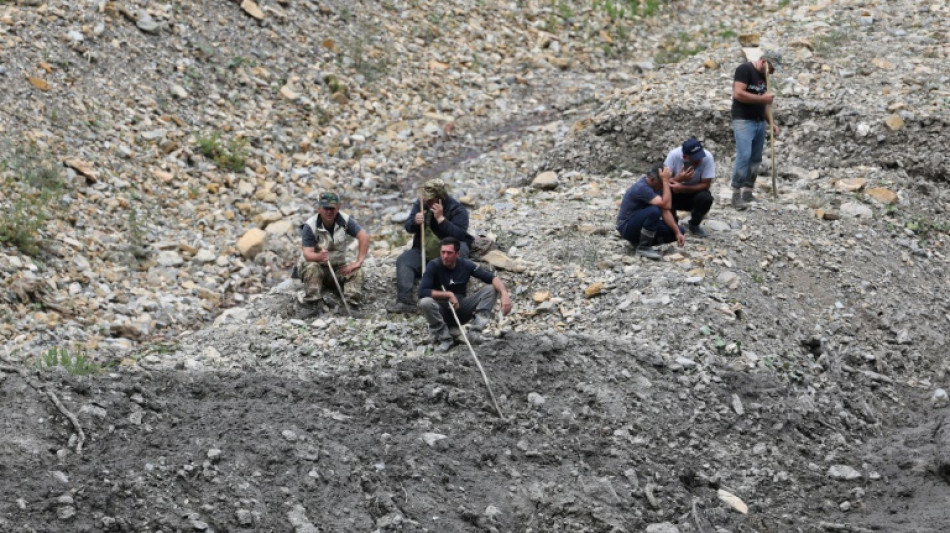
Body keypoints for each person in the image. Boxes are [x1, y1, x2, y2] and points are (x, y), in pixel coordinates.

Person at [389, 178, 474, 314]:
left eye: (430, 200)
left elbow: (460, 235)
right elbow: (408, 226)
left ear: (441, 197)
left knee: (460, 252)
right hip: (424, 250)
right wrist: (415, 222)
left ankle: (455, 298)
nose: (427, 202)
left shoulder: (457, 209)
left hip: (447, 252)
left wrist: (441, 220)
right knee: (404, 260)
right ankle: (404, 301)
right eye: (425, 199)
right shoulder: (421, 204)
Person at [417, 237, 512, 352]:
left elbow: (492, 278)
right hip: (441, 312)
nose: (445, 256)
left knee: (491, 289)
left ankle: (475, 333)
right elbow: (422, 292)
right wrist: (448, 295)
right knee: (425, 302)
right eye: (443, 252)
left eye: (449, 253)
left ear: (457, 254)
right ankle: (445, 339)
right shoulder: (434, 265)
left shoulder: (466, 264)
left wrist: (504, 294)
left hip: (462, 308)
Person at [295, 192, 370, 307]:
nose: (329, 212)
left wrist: (358, 262)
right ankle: (311, 304)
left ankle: (351, 303)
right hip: (316, 267)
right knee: (312, 267)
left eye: (332, 208)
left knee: (357, 272)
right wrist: (319, 257)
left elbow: (364, 237)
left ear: (338, 208)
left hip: (337, 268)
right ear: (319, 209)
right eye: (326, 208)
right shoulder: (310, 226)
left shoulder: (345, 221)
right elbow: (307, 254)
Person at [730, 49, 783, 210]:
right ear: (764, 62)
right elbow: (738, 94)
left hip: (759, 121)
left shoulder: (765, 76)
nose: (772, 73)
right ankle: (736, 194)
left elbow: (765, 104)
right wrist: (762, 98)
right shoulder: (744, 69)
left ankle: (748, 191)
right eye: (772, 68)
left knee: (755, 158)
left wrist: (771, 123)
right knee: (744, 155)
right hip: (743, 120)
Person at [616, 163, 686, 260]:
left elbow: (665, 211)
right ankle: (644, 247)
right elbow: (666, 204)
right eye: (662, 183)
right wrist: (665, 182)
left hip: (641, 224)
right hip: (627, 227)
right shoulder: (642, 187)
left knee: (679, 230)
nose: (663, 186)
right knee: (654, 211)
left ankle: (639, 242)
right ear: (653, 180)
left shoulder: (658, 187)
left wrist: (677, 232)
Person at [664, 137, 715, 238]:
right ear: (685, 157)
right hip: (675, 194)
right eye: (695, 158)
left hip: (693, 194)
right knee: (664, 192)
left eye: (700, 156)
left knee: (706, 198)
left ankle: (694, 224)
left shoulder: (708, 157)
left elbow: (706, 184)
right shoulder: (673, 155)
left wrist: (683, 187)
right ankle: (672, 223)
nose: (699, 160)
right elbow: (663, 182)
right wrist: (679, 179)